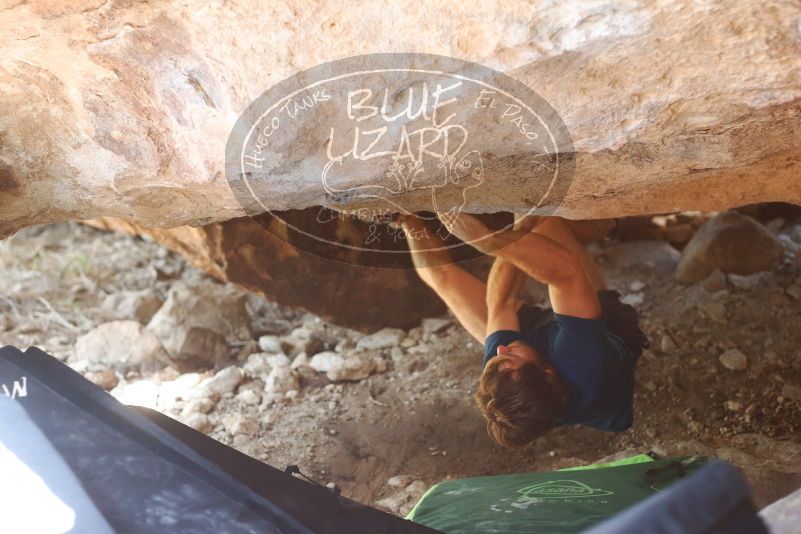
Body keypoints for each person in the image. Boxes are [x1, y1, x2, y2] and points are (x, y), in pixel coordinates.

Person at [400, 214, 648, 448]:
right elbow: (565, 273)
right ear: (547, 371)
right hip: (606, 330)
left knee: (440, 277)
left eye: (495, 360)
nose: (500, 349)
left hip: (541, 358)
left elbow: (502, 303)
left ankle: (403, 217)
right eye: (507, 357)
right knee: (546, 224)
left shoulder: (505, 376)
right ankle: (611, 226)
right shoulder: (581, 358)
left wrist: (517, 231)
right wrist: (485, 239)